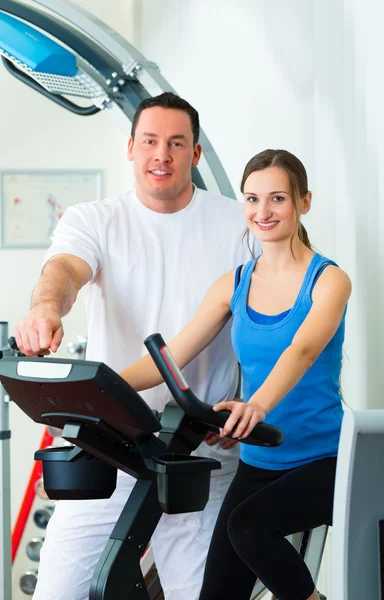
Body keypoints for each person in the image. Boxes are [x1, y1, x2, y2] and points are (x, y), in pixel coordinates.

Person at [14, 92, 257, 600]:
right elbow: (64, 271)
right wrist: (46, 308)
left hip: (201, 451)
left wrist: (251, 404)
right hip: (113, 442)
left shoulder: (241, 225)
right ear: (130, 148)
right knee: (58, 591)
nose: (161, 155)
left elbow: (276, 324)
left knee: (203, 593)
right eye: (149, 141)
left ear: (195, 153)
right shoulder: (94, 219)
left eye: (175, 143)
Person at [120, 148, 352, 600]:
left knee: (247, 527)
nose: (262, 212)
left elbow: (302, 351)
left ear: (304, 202)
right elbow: (172, 355)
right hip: (260, 460)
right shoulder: (235, 283)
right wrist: (97, 387)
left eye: (278, 199)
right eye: (252, 199)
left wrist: (256, 405)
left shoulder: (328, 280)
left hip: (326, 460)